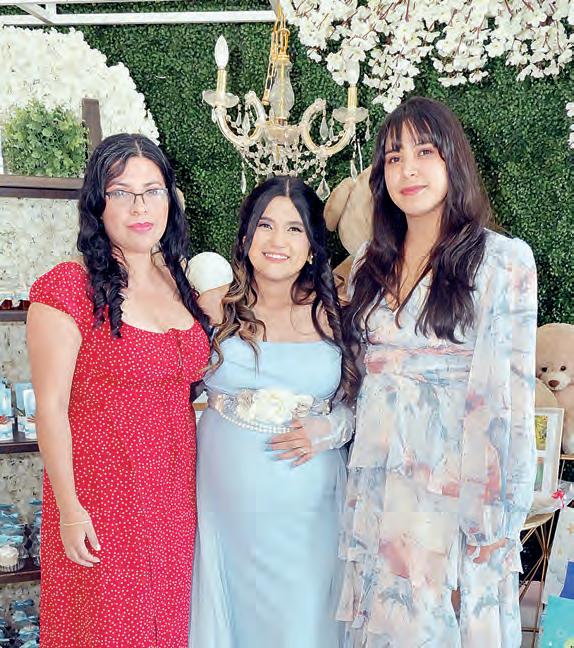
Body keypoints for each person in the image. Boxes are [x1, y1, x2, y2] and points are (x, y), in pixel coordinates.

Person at [337, 96, 537, 647]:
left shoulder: (500, 261)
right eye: (393, 157)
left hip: (451, 505)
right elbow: (355, 385)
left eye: (425, 152)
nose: (408, 169)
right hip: (375, 496)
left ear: (453, 160)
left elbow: (507, 405)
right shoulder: (367, 265)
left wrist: (491, 527)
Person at [26, 134, 210, 647]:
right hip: (103, 500)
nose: (139, 207)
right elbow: (50, 409)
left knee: (170, 630)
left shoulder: (180, 283)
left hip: (175, 501)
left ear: (170, 199)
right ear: (97, 203)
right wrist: (69, 509)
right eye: (121, 192)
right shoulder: (68, 286)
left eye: (152, 191)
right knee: (109, 632)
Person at [190, 176, 358, 648]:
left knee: (303, 623)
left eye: (294, 228)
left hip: (309, 512)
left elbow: (364, 404)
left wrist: (330, 429)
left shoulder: (337, 314)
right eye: (265, 225)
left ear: (312, 247)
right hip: (227, 510)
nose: (277, 240)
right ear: (246, 238)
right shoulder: (213, 310)